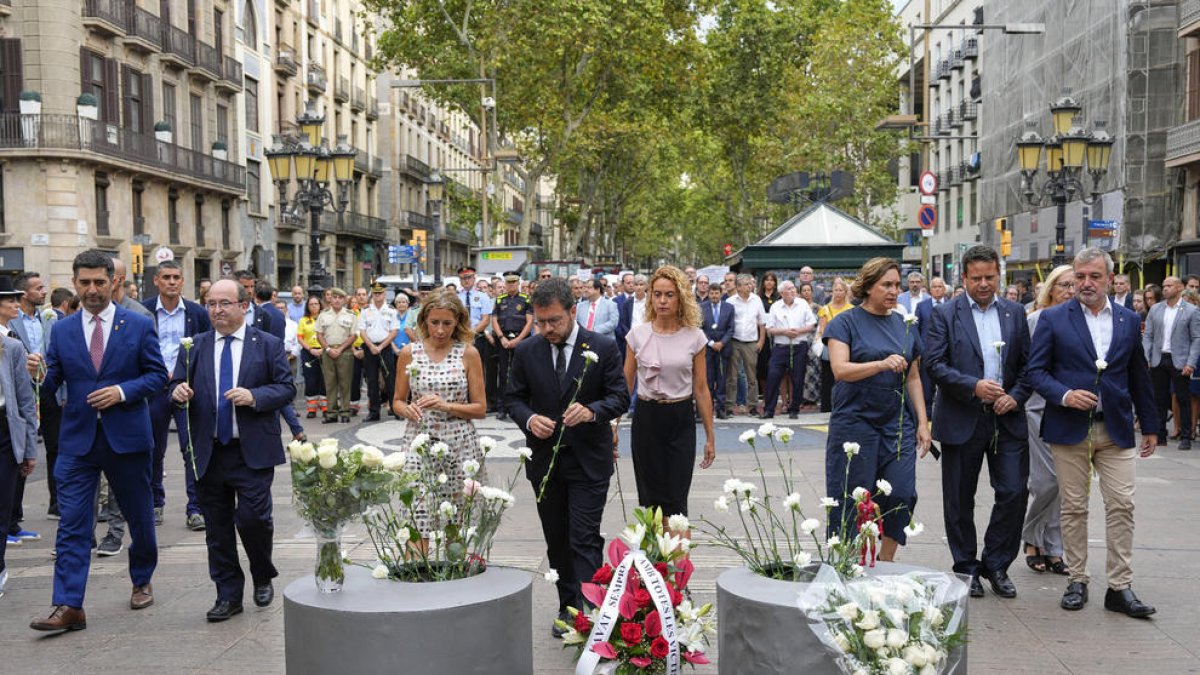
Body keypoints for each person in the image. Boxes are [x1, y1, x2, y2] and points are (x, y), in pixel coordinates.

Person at [30, 249, 167, 633]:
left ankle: (141, 578)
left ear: (114, 283)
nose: (92, 289)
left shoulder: (137, 325)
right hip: (78, 443)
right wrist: (37, 374)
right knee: (73, 523)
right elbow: (52, 382)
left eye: (99, 282)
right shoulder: (63, 329)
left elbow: (158, 376)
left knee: (139, 517)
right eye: (85, 282)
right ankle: (69, 605)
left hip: (127, 439)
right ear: (75, 284)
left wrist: (122, 391)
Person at [1027, 247, 1158, 617]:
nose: (1085, 283)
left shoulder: (1128, 320)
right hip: (1069, 428)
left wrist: (1150, 426)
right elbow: (1035, 373)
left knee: (1122, 505)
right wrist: (1065, 395)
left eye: (1093, 277)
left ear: (1110, 279)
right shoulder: (1053, 318)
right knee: (1074, 508)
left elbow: (1138, 375)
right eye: (1080, 276)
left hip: (1115, 429)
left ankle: (1119, 587)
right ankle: (1077, 580)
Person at [505, 278, 628, 637]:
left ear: (573, 312)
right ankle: (568, 605)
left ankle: (591, 612)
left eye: (554, 321)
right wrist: (529, 419)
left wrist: (591, 411)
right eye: (540, 322)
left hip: (589, 458)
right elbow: (512, 399)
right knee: (557, 538)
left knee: (584, 536)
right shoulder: (528, 351)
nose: (546, 329)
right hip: (545, 462)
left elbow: (620, 397)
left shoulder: (603, 347)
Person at [170, 279, 295, 621]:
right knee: (217, 527)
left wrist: (255, 397)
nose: (216, 310)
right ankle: (228, 594)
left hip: (251, 450)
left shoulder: (266, 344)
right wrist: (177, 391)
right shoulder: (193, 346)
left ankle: (262, 571)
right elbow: (174, 385)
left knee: (254, 519)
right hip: (209, 451)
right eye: (211, 303)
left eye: (224, 303)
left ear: (244, 305)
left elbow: (285, 388)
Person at [926, 245, 1032, 600]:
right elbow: (935, 364)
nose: (984, 284)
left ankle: (997, 563)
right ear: (965, 279)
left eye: (990, 277)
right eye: (977, 278)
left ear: (999, 275)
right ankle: (966, 567)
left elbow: (1029, 366)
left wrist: (1014, 395)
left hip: (1007, 417)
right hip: (962, 416)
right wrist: (974, 386)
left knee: (1014, 492)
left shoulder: (1016, 313)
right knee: (959, 499)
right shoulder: (945, 314)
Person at [823, 257, 930, 562]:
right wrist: (881, 364)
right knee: (852, 496)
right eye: (887, 285)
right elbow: (840, 369)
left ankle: (885, 563)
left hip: (896, 421)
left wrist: (923, 422)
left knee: (902, 493)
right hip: (855, 419)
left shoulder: (904, 324)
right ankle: (847, 564)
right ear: (868, 287)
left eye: (897, 285)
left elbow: (912, 376)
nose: (894, 291)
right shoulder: (845, 322)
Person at [392, 290, 487, 545]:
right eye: (435, 322)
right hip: (419, 441)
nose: (441, 330)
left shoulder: (468, 353)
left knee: (458, 518)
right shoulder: (409, 353)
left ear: (458, 322)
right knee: (417, 513)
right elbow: (397, 400)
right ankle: (417, 576)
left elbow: (480, 408)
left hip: (460, 443)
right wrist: (406, 409)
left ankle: (455, 578)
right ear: (424, 321)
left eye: (447, 323)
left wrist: (447, 406)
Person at [623, 266, 715, 517]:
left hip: (680, 418)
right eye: (657, 294)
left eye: (670, 295)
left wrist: (710, 435)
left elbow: (702, 388)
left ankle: (679, 556)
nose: (663, 301)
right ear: (650, 297)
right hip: (647, 417)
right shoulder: (637, 335)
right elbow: (625, 385)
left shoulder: (695, 337)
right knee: (651, 500)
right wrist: (612, 424)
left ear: (681, 297)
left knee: (676, 499)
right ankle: (655, 556)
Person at [140, 260, 211, 531]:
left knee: (191, 449)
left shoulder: (196, 313)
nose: (172, 282)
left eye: (176, 277)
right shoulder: (144, 311)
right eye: (166, 277)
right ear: (156, 280)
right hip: (153, 391)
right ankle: (155, 503)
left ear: (183, 282)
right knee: (152, 449)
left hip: (186, 390)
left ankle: (195, 508)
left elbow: (204, 350)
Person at [1022, 264, 1074, 577]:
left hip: (1070, 410)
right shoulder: (1034, 320)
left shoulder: (1080, 320)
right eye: (1064, 285)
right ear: (1051, 289)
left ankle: (1053, 547)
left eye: (1073, 284)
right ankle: (1031, 537)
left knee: (1065, 485)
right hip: (1036, 408)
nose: (1070, 290)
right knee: (1046, 482)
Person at [12, 271, 56, 531]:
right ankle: (13, 517)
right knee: (22, 454)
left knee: (57, 449)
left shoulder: (49, 319)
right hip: (22, 395)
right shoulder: (11, 322)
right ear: (24, 293)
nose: (44, 291)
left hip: (49, 392)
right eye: (38, 288)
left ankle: (57, 504)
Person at [0, 296, 37, 597]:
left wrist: (29, 450)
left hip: (4, 432)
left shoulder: (11, 347)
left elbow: (25, 402)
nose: (14, 304)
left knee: (2, 505)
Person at [1141, 276, 1200, 450]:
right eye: (1164, 285)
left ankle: (1186, 435)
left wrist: (1191, 362)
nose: (1165, 288)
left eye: (1169, 286)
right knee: (1158, 399)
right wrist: (1147, 357)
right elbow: (1149, 335)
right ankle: (1160, 434)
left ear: (1180, 288)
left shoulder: (1191, 310)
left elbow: (1196, 338)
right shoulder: (1156, 309)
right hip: (1159, 359)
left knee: (1183, 398)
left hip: (1180, 360)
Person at [762, 280, 816, 420]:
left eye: (793, 288)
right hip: (780, 347)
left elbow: (811, 324)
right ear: (781, 293)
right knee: (773, 376)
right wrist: (785, 332)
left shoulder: (802, 304)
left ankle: (794, 409)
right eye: (789, 289)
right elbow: (769, 329)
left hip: (799, 346)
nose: (792, 291)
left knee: (798, 379)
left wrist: (798, 331)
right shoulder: (775, 306)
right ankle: (769, 410)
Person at [491, 272, 534, 422]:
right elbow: (494, 320)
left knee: (520, 374)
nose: (511, 285)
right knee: (503, 375)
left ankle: (519, 407)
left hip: (521, 341)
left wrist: (518, 340)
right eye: (508, 283)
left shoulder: (526, 299)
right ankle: (502, 408)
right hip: (503, 340)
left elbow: (529, 322)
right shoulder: (499, 299)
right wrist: (501, 337)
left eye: (514, 283)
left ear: (518, 283)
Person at [725, 274, 767, 417]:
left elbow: (762, 323)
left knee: (751, 376)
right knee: (732, 375)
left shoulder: (757, 300)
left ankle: (753, 406)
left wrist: (761, 341)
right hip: (734, 341)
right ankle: (729, 406)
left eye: (750, 284)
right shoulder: (730, 301)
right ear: (739, 287)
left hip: (751, 342)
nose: (750, 286)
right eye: (747, 284)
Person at [315, 288, 359, 424]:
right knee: (330, 383)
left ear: (345, 300)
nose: (337, 300)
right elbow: (319, 334)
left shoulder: (351, 315)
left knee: (345, 383)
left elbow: (353, 335)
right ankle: (332, 413)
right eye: (335, 297)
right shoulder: (323, 315)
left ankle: (345, 411)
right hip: (328, 351)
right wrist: (327, 349)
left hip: (344, 351)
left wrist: (340, 349)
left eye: (340, 297)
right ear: (330, 299)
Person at [359, 283, 400, 422]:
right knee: (371, 381)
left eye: (380, 293)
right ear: (372, 294)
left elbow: (394, 331)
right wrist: (371, 346)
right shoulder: (365, 310)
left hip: (385, 347)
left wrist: (381, 346)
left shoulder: (391, 310)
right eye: (375, 293)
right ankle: (374, 412)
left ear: (384, 294)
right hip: (370, 348)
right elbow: (362, 331)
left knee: (390, 380)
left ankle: (396, 409)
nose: (377, 296)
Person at [816, 277, 852, 413]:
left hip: (848, 347)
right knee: (827, 378)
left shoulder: (852, 309)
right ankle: (826, 407)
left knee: (846, 378)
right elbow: (822, 331)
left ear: (845, 292)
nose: (838, 293)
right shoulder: (825, 309)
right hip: (829, 347)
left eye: (840, 290)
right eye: (835, 290)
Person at [700, 283, 735, 420]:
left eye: (717, 293)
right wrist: (711, 343)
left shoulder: (729, 307)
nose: (714, 296)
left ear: (721, 293)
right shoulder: (702, 308)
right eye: (712, 293)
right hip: (708, 349)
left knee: (721, 380)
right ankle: (707, 409)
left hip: (723, 348)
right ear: (708, 294)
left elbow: (731, 328)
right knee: (708, 380)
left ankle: (721, 409)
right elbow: (700, 328)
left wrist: (721, 343)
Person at [297, 296, 327, 418]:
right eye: (311, 304)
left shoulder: (325, 319)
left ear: (320, 305)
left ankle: (325, 407)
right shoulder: (303, 320)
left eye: (316, 304)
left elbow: (330, 335)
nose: (314, 306)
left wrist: (323, 349)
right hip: (308, 352)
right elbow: (300, 338)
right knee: (310, 380)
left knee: (324, 379)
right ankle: (312, 408)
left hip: (323, 351)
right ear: (308, 306)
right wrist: (310, 349)